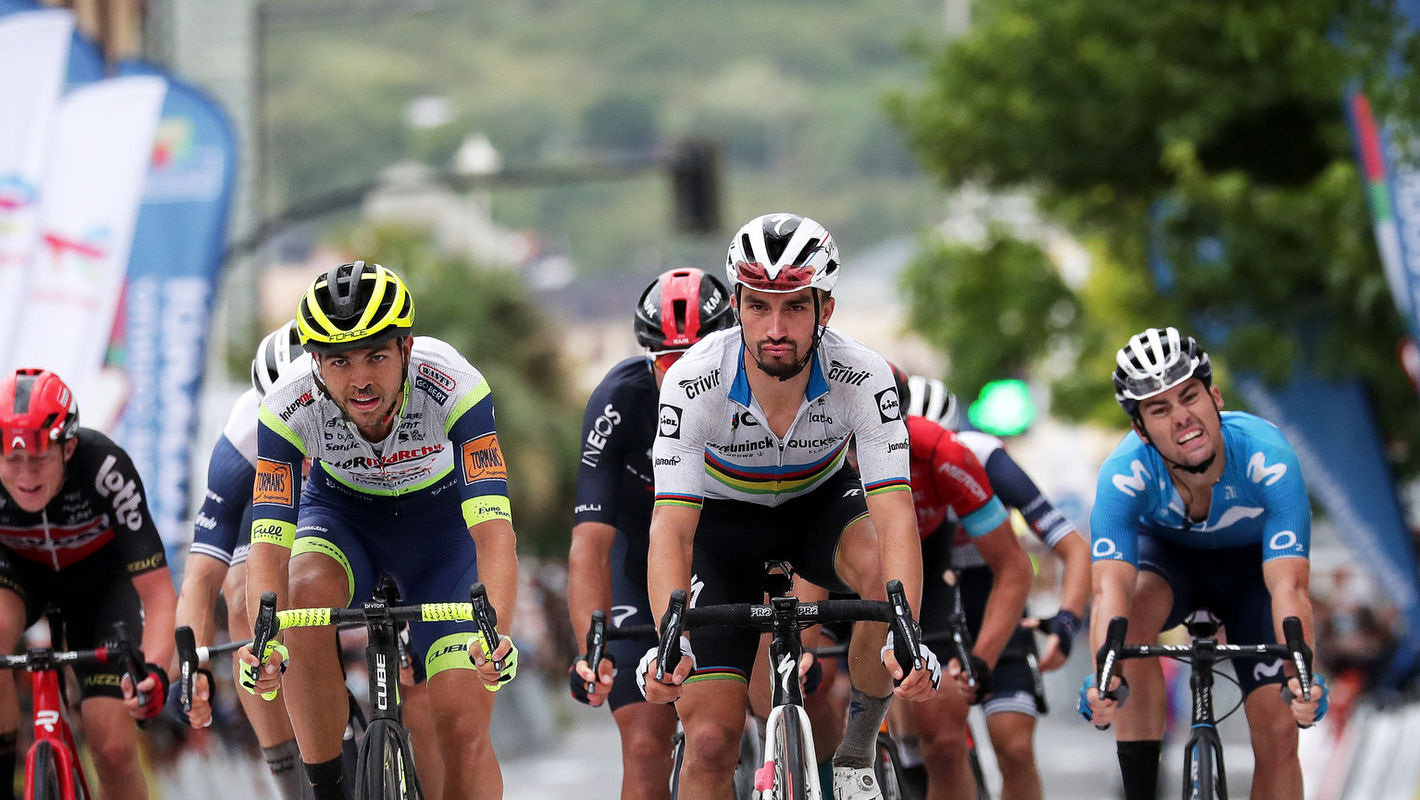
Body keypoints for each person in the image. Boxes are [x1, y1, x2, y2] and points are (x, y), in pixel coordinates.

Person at [640, 212, 939, 800]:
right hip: (722, 529)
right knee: (709, 743)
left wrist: (905, 635)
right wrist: (669, 640)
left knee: (882, 574)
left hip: (817, 508)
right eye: (759, 306)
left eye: (795, 307)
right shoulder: (693, 380)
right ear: (738, 306)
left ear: (825, 309)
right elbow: (671, 530)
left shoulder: (864, 374)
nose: (775, 327)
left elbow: (895, 514)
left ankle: (855, 755)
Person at [238, 261, 520, 800]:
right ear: (315, 363)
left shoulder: (455, 385)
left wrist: (496, 634)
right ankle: (327, 785)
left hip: (442, 535)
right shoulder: (285, 409)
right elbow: (269, 542)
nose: (360, 379)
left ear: (407, 349)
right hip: (344, 521)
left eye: (376, 356)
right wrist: (264, 640)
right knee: (296, 598)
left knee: (462, 729)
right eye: (339, 361)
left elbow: (493, 531)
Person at [1082, 326, 1328, 800]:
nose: (1181, 418)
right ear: (1140, 429)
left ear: (1214, 395)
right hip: (1168, 568)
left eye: (1189, 396)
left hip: (1252, 576)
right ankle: (1140, 789)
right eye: (1159, 409)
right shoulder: (1123, 474)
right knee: (1128, 618)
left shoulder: (1267, 455)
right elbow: (1108, 590)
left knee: (1278, 734)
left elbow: (1289, 588)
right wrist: (1104, 674)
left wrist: (1302, 675)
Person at [567, 266, 735, 800]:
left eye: (700, 361)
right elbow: (590, 546)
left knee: (763, 705)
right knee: (645, 746)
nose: (686, 376)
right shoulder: (619, 399)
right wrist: (590, 648)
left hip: (728, 548)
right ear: (647, 359)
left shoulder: (759, 390)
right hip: (643, 556)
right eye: (669, 363)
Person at [904, 373, 1090, 800]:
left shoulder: (985, 457)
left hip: (993, 595)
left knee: (1014, 747)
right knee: (941, 743)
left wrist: (1066, 621)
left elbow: (1074, 549)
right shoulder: (883, 462)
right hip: (931, 592)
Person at [0, 368, 177, 800]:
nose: (25, 475)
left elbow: (158, 594)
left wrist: (153, 672)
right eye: (12, 459)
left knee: (113, 748)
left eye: (39, 458)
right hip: (18, 575)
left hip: (99, 586)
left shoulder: (105, 467)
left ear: (69, 447)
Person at [173, 321, 312, 800]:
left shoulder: (368, 407)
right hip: (273, 490)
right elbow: (199, 578)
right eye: (282, 423)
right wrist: (192, 668)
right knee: (241, 598)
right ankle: (289, 776)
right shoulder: (243, 438)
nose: (298, 438)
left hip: (354, 485)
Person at [889, 369, 1034, 800]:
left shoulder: (964, 454)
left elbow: (1026, 560)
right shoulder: (831, 449)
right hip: (865, 574)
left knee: (992, 744)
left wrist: (1064, 622)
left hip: (950, 581)